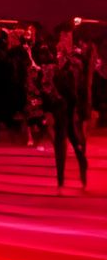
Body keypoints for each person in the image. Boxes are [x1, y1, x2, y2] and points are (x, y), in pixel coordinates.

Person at [42, 43, 89, 191]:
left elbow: (73, 94)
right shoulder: (59, 70)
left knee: (67, 143)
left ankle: (65, 177)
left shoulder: (68, 70)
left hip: (65, 110)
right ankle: (64, 177)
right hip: (63, 110)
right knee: (66, 143)